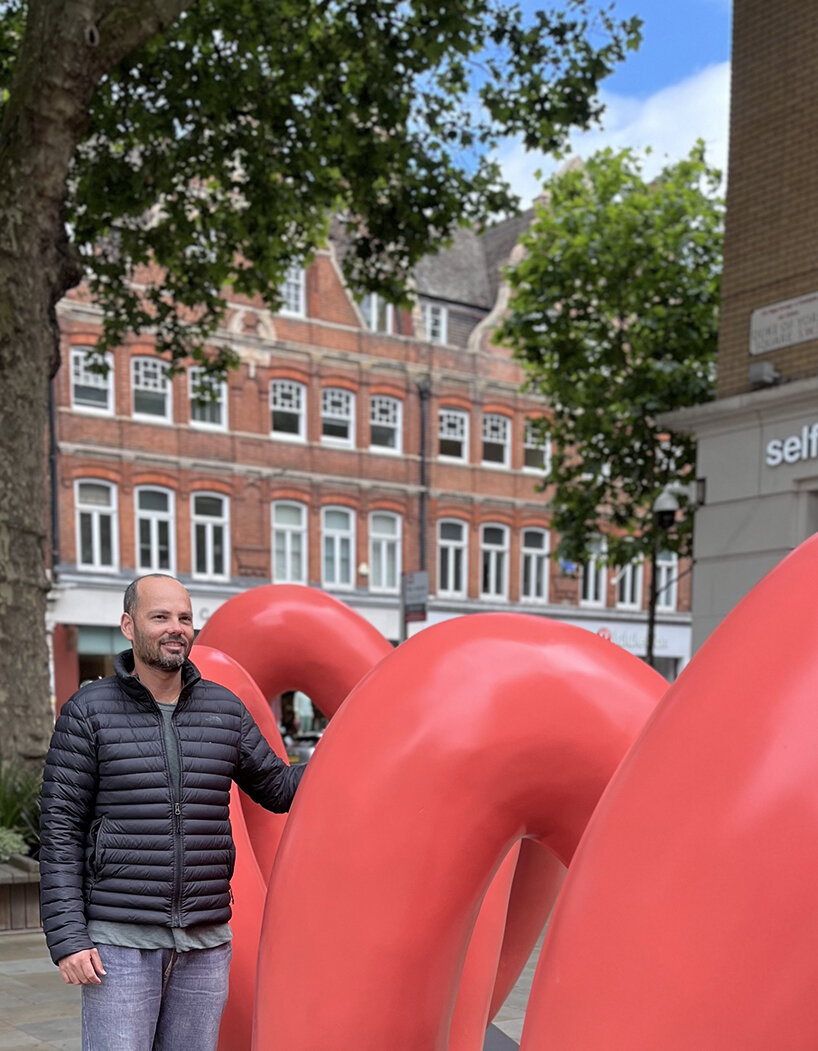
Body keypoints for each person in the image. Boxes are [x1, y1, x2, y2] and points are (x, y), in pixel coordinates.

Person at [39, 573, 306, 1051]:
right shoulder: (88, 711)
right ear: (129, 625)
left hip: (205, 943)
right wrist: (68, 939)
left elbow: (279, 788)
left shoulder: (224, 709)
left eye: (184, 618)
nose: (175, 628)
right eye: (160, 616)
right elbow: (60, 830)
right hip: (118, 946)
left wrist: (350, 752)